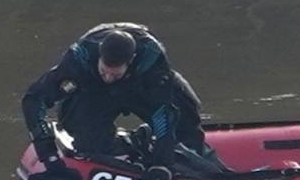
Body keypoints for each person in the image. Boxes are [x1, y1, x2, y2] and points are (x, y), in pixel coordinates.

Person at [22, 22, 213, 172]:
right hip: (93, 90)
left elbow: (163, 110)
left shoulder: (152, 59)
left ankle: (179, 156)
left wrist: (162, 164)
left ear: (129, 63)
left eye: (114, 74)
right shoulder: (78, 60)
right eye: (105, 71)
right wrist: (46, 151)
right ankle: (134, 143)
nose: (108, 77)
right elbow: (33, 99)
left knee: (186, 118)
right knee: (88, 142)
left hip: (139, 85)